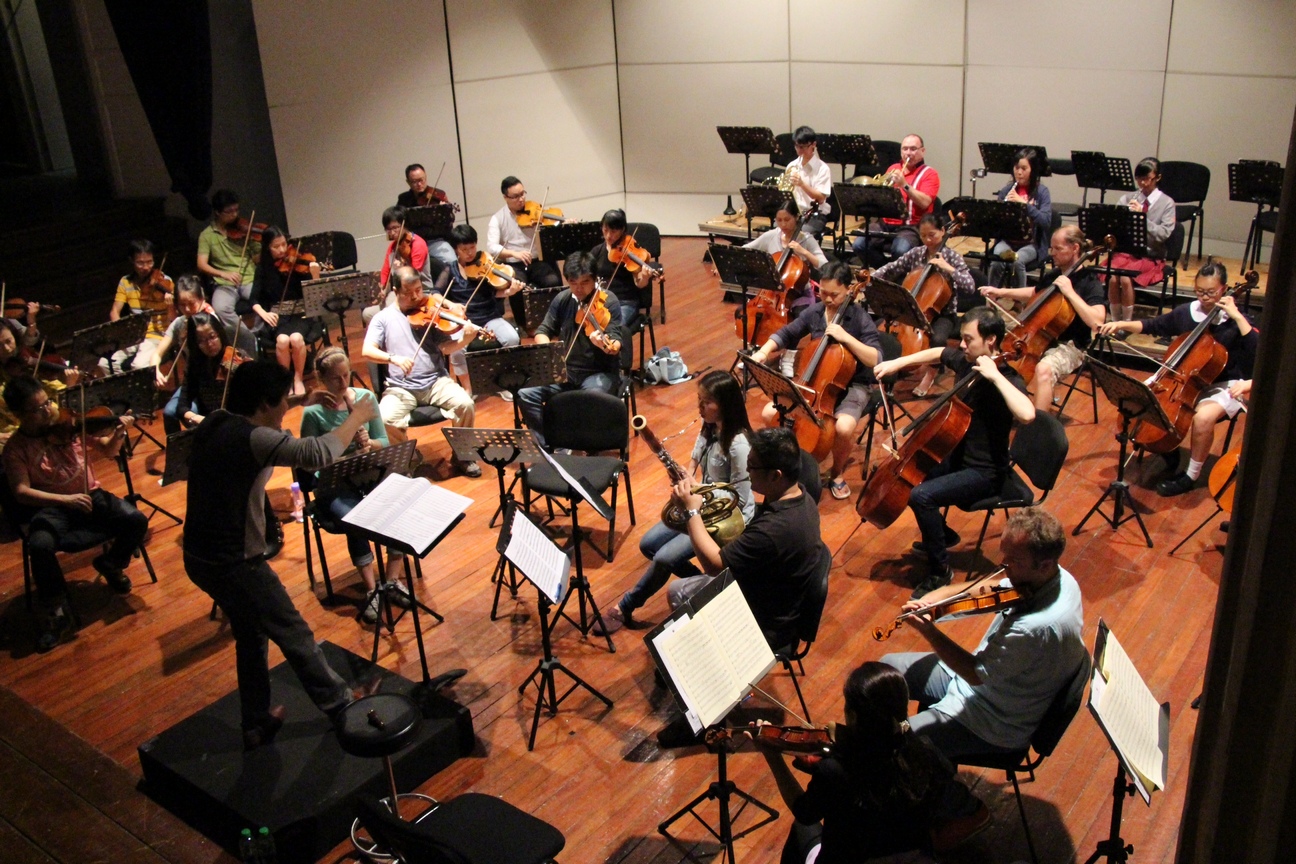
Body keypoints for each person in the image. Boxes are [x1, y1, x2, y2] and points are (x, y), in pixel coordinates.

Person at [183, 360, 382, 749]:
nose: (283, 410)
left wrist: (300, 400)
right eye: (281, 401)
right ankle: (343, 706)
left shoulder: (217, 420)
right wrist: (357, 416)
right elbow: (318, 452)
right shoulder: (254, 438)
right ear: (263, 403)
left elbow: (267, 414)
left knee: (251, 634)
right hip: (234, 561)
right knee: (295, 634)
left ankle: (256, 721)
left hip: (199, 557)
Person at [880, 507, 1087, 760]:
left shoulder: (1033, 628)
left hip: (992, 718)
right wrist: (935, 601)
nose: (1004, 566)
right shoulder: (1055, 578)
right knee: (886, 672)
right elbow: (989, 591)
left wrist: (930, 632)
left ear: (1044, 564)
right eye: (1004, 554)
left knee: (894, 743)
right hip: (985, 683)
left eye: (1014, 561)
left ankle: (902, 758)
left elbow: (975, 673)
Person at [872, 308, 1035, 598]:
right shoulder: (966, 361)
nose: (961, 344)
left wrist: (995, 376)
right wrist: (897, 362)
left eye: (968, 339)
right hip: (958, 458)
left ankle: (940, 572)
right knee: (912, 475)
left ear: (991, 340)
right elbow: (938, 353)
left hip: (985, 472)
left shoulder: (1007, 378)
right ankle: (943, 535)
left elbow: (1027, 414)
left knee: (921, 496)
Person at [755, 661, 987, 864]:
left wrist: (773, 757)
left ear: (853, 716)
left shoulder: (835, 770)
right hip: (912, 859)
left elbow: (804, 812)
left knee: (801, 829)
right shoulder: (924, 753)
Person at [599, 371, 756, 634]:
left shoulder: (739, 445)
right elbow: (695, 459)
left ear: (725, 405)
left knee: (663, 558)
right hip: (702, 502)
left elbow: (738, 496)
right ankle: (708, 582)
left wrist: (696, 490)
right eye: (699, 399)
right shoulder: (709, 426)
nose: (700, 406)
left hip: (728, 516)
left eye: (707, 402)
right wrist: (685, 474)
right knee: (648, 545)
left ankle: (626, 606)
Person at [2, 375, 147, 652]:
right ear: (19, 415)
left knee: (136, 520)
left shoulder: (68, 424)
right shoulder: (16, 449)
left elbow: (107, 450)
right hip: (53, 507)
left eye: (48, 403)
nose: (49, 411)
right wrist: (66, 499)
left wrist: (119, 432)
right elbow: (21, 491)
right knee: (40, 545)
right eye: (39, 409)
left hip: (90, 495)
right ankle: (56, 609)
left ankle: (111, 564)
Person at [1098, 261, 1257, 496]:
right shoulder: (1187, 312)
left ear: (1223, 289)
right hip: (1183, 377)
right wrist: (1121, 323)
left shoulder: (1235, 320)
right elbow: (1153, 325)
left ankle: (1191, 475)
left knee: (1203, 418)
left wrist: (1237, 316)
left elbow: (1258, 350)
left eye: (1211, 292)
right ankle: (1166, 449)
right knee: (1141, 397)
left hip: (1224, 384)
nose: (1204, 297)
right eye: (1200, 291)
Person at [666, 426, 821, 651]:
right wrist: (699, 490)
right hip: (777, 595)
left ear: (775, 475)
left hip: (762, 622)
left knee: (677, 592)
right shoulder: (802, 497)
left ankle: (706, 655)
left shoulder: (773, 529)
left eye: (752, 466)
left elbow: (714, 565)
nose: (747, 470)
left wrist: (692, 511)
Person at [750, 261, 882, 500]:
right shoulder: (816, 311)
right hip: (815, 382)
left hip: (853, 384)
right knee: (770, 413)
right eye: (823, 292)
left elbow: (875, 358)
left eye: (834, 294)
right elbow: (787, 333)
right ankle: (786, 462)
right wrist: (763, 352)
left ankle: (837, 473)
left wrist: (846, 338)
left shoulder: (860, 318)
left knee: (843, 427)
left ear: (848, 289)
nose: (827, 299)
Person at [299, 347, 408, 624]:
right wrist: (344, 452)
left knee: (400, 502)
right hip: (335, 485)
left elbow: (383, 441)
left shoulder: (365, 399)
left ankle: (392, 580)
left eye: (346, 375)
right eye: (335, 378)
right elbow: (309, 463)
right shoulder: (313, 414)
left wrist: (369, 443)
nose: (343, 383)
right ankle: (372, 589)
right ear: (322, 379)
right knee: (356, 517)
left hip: (369, 475)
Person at [361, 266, 480, 476]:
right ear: (396, 291)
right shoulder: (383, 318)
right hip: (401, 387)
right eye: (409, 293)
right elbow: (367, 350)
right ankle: (404, 459)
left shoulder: (430, 312)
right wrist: (393, 358)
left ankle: (463, 455)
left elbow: (446, 348)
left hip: (436, 382)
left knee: (466, 404)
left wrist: (466, 339)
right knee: (385, 418)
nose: (416, 297)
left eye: (419, 290)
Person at [980, 225, 1107, 411]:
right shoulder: (1054, 274)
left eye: (1058, 248)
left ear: (1075, 248)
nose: (1052, 253)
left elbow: (1097, 322)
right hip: (1041, 338)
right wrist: (1000, 292)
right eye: (1051, 248)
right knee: (995, 348)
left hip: (1071, 345)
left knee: (1044, 369)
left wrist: (1070, 292)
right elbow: (1035, 293)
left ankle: (1039, 424)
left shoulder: (1090, 281)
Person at [518, 252, 624, 446]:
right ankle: (546, 444)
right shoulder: (563, 299)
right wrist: (549, 349)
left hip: (598, 372)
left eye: (585, 282)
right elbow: (543, 330)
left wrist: (604, 345)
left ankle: (583, 446)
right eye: (573, 282)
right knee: (526, 392)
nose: (578, 289)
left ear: (595, 279)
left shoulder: (609, 302)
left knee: (590, 399)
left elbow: (615, 343)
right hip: (566, 371)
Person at [872, 212, 978, 396]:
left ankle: (929, 376)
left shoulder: (952, 257)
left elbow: (970, 286)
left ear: (943, 231)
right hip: (912, 310)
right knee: (881, 327)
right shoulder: (917, 253)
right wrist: (871, 278)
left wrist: (949, 269)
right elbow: (892, 267)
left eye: (932, 235)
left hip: (941, 314)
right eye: (923, 236)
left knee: (937, 339)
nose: (928, 240)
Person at [436, 223, 525, 397]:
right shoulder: (450, 270)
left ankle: (503, 383)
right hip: (464, 321)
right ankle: (468, 388)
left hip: (489, 317)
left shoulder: (485, 263)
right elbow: (435, 294)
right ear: (456, 250)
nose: (470, 253)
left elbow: (496, 292)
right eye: (464, 249)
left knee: (512, 338)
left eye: (472, 247)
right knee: (457, 349)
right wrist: (451, 304)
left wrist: (510, 291)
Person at [743, 198, 828, 361]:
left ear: (796, 217)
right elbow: (747, 249)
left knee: (799, 317)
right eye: (779, 220)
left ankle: (789, 355)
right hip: (770, 292)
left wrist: (804, 252)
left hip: (799, 294)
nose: (782, 224)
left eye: (787, 219)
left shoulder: (806, 239)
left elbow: (825, 265)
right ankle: (756, 350)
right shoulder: (771, 236)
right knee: (754, 313)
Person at [251, 226, 326, 397]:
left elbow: (315, 294)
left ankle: (298, 378)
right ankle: (286, 380)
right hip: (278, 317)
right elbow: (253, 300)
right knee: (283, 340)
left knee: (296, 338)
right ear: (267, 248)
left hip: (301, 315)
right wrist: (264, 314)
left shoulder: (298, 263)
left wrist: (315, 275)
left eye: (284, 244)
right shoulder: (262, 269)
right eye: (276, 246)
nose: (282, 250)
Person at [151, 275, 258, 389]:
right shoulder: (179, 323)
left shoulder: (210, 322)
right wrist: (155, 371)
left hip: (218, 377)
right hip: (194, 379)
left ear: (202, 299)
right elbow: (157, 354)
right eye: (182, 304)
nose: (187, 309)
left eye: (191, 303)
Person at [486, 175, 563, 326]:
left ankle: (555, 321)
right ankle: (524, 325)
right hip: (515, 264)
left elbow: (553, 226)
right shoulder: (498, 219)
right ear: (505, 198)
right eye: (515, 196)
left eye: (522, 194)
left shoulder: (533, 210)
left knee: (552, 281)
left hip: (537, 261)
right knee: (516, 287)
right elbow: (492, 247)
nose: (521, 199)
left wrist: (562, 222)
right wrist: (514, 253)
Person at [1106, 157, 1176, 322]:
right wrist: (1122, 216)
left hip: (1150, 255)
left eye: (1147, 179)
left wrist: (1142, 218)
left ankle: (1126, 322)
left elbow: (1163, 234)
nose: (1143, 183)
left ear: (1157, 178)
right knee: (1113, 277)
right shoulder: (1127, 198)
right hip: (1127, 252)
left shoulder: (1167, 203)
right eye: (1139, 178)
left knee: (1125, 277)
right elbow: (1114, 227)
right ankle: (1115, 321)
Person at [855, 134, 940, 267]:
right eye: (905, 149)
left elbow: (925, 202)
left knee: (900, 250)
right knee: (859, 244)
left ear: (922, 151)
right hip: (886, 223)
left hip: (912, 225)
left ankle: (895, 274)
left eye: (913, 149)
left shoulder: (930, 174)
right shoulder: (893, 168)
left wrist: (904, 185)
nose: (908, 153)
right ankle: (886, 271)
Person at [986, 147, 1053, 289]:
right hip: (1008, 241)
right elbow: (996, 222)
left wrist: (1024, 205)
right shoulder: (1006, 191)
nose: (1019, 172)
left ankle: (1020, 299)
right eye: (1016, 168)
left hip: (1031, 244)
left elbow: (1046, 221)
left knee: (1017, 261)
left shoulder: (1042, 192)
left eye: (1024, 168)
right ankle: (991, 296)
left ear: (1033, 170)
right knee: (997, 260)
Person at [590, 208, 660, 343]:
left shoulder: (631, 252)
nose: (608, 236)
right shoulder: (596, 251)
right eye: (605, 230)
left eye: (613, 231)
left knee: (612, 329)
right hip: (600, 302)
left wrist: (645, 276)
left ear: (622, 230)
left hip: (625, 303)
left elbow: (639, 283)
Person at [196, 189, 260, 331]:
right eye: (229, 211)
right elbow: (201, 264)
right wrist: (223, 274)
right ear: (217, 212)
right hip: (224, 284)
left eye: (236, 210)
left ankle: (258, 334)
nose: (235, 215)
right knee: (220, 308)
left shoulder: (244, 230)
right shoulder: (207, 235)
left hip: (249, 278)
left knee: (264, 299)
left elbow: (257, 259)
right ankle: (245, 336)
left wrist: (257, 241)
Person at [107, 238, 173, 372]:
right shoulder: (126, 282)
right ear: (131, 261)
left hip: (156, 335)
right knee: (106, 363)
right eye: (140, 263)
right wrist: (122, 333)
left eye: (150, 262)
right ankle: (125, 385)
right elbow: (114, 312)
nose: (146, 267)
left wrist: (171, 303)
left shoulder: (165, 281)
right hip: (135, 335)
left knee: (138, 366)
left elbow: (174, 317)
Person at [395, 163, 457, 273]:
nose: (419, 184)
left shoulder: (438, 195)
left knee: (451, 261)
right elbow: (399, 222)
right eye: (414, 181)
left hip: (435, 241)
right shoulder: (404, 199)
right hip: (413, 243)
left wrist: (444, 211)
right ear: (408, 182)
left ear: (425, 177)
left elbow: (449, 223)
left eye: (421, 180)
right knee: (404, 269)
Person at [783, 126, 833, 239]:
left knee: (800, 235)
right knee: (778, 231)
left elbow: (821, 198)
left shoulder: (823, 169)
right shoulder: (791, 166)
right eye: (797, 146)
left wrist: (802, 184)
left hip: (815, 215)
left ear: (813, 145)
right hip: (795, 213)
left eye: (803, 147)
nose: (799, 151)